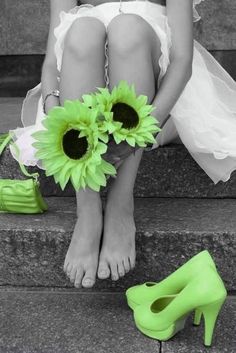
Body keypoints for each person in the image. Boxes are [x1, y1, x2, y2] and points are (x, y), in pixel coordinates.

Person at [9, 0, 236, 288]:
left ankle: (120, 202)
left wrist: (142, 130)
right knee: (82, 30)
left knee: (127, 29)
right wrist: (55, 112)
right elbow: (52, 62)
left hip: (156, 100)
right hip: (78, 88)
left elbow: (181, 61)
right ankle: (88, 206)